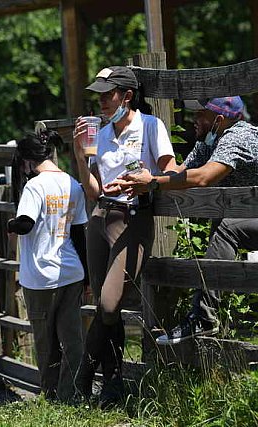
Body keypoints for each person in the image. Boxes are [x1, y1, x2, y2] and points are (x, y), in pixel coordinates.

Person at [114, 96, 258, 344]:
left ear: (218, 119)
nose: (193, 119)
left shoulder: (239, 136)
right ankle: (213, 317)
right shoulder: (210, 141)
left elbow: (204, 177)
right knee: (226, 223)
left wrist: (152, 183)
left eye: (199, 114)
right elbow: (179, 174)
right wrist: (146, 174)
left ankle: (203, 318)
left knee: (227, 228)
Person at [72, 66, 176, 406]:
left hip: (133, 219)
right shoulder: (100, 134)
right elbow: (93, 190)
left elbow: (168, 169)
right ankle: (112, 387)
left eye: (107, 94)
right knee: (105, 308)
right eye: (99, 95)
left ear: (127, 96)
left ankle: (81, 378)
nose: (101, 101)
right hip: (100, 216)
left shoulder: (150, 125)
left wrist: (143, 178)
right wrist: (78, 154)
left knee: (109, 302)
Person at [7, 129, 88, 402]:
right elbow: (79, 233)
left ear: (28, 161)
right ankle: (73, 394)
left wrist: (10, 224)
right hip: (72, 272)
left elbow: (26, 223)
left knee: (46, 342)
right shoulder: (73, 184)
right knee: (73, 340)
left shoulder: (34, 186)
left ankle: (51, 396)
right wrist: (87, 276)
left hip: (40, 277)